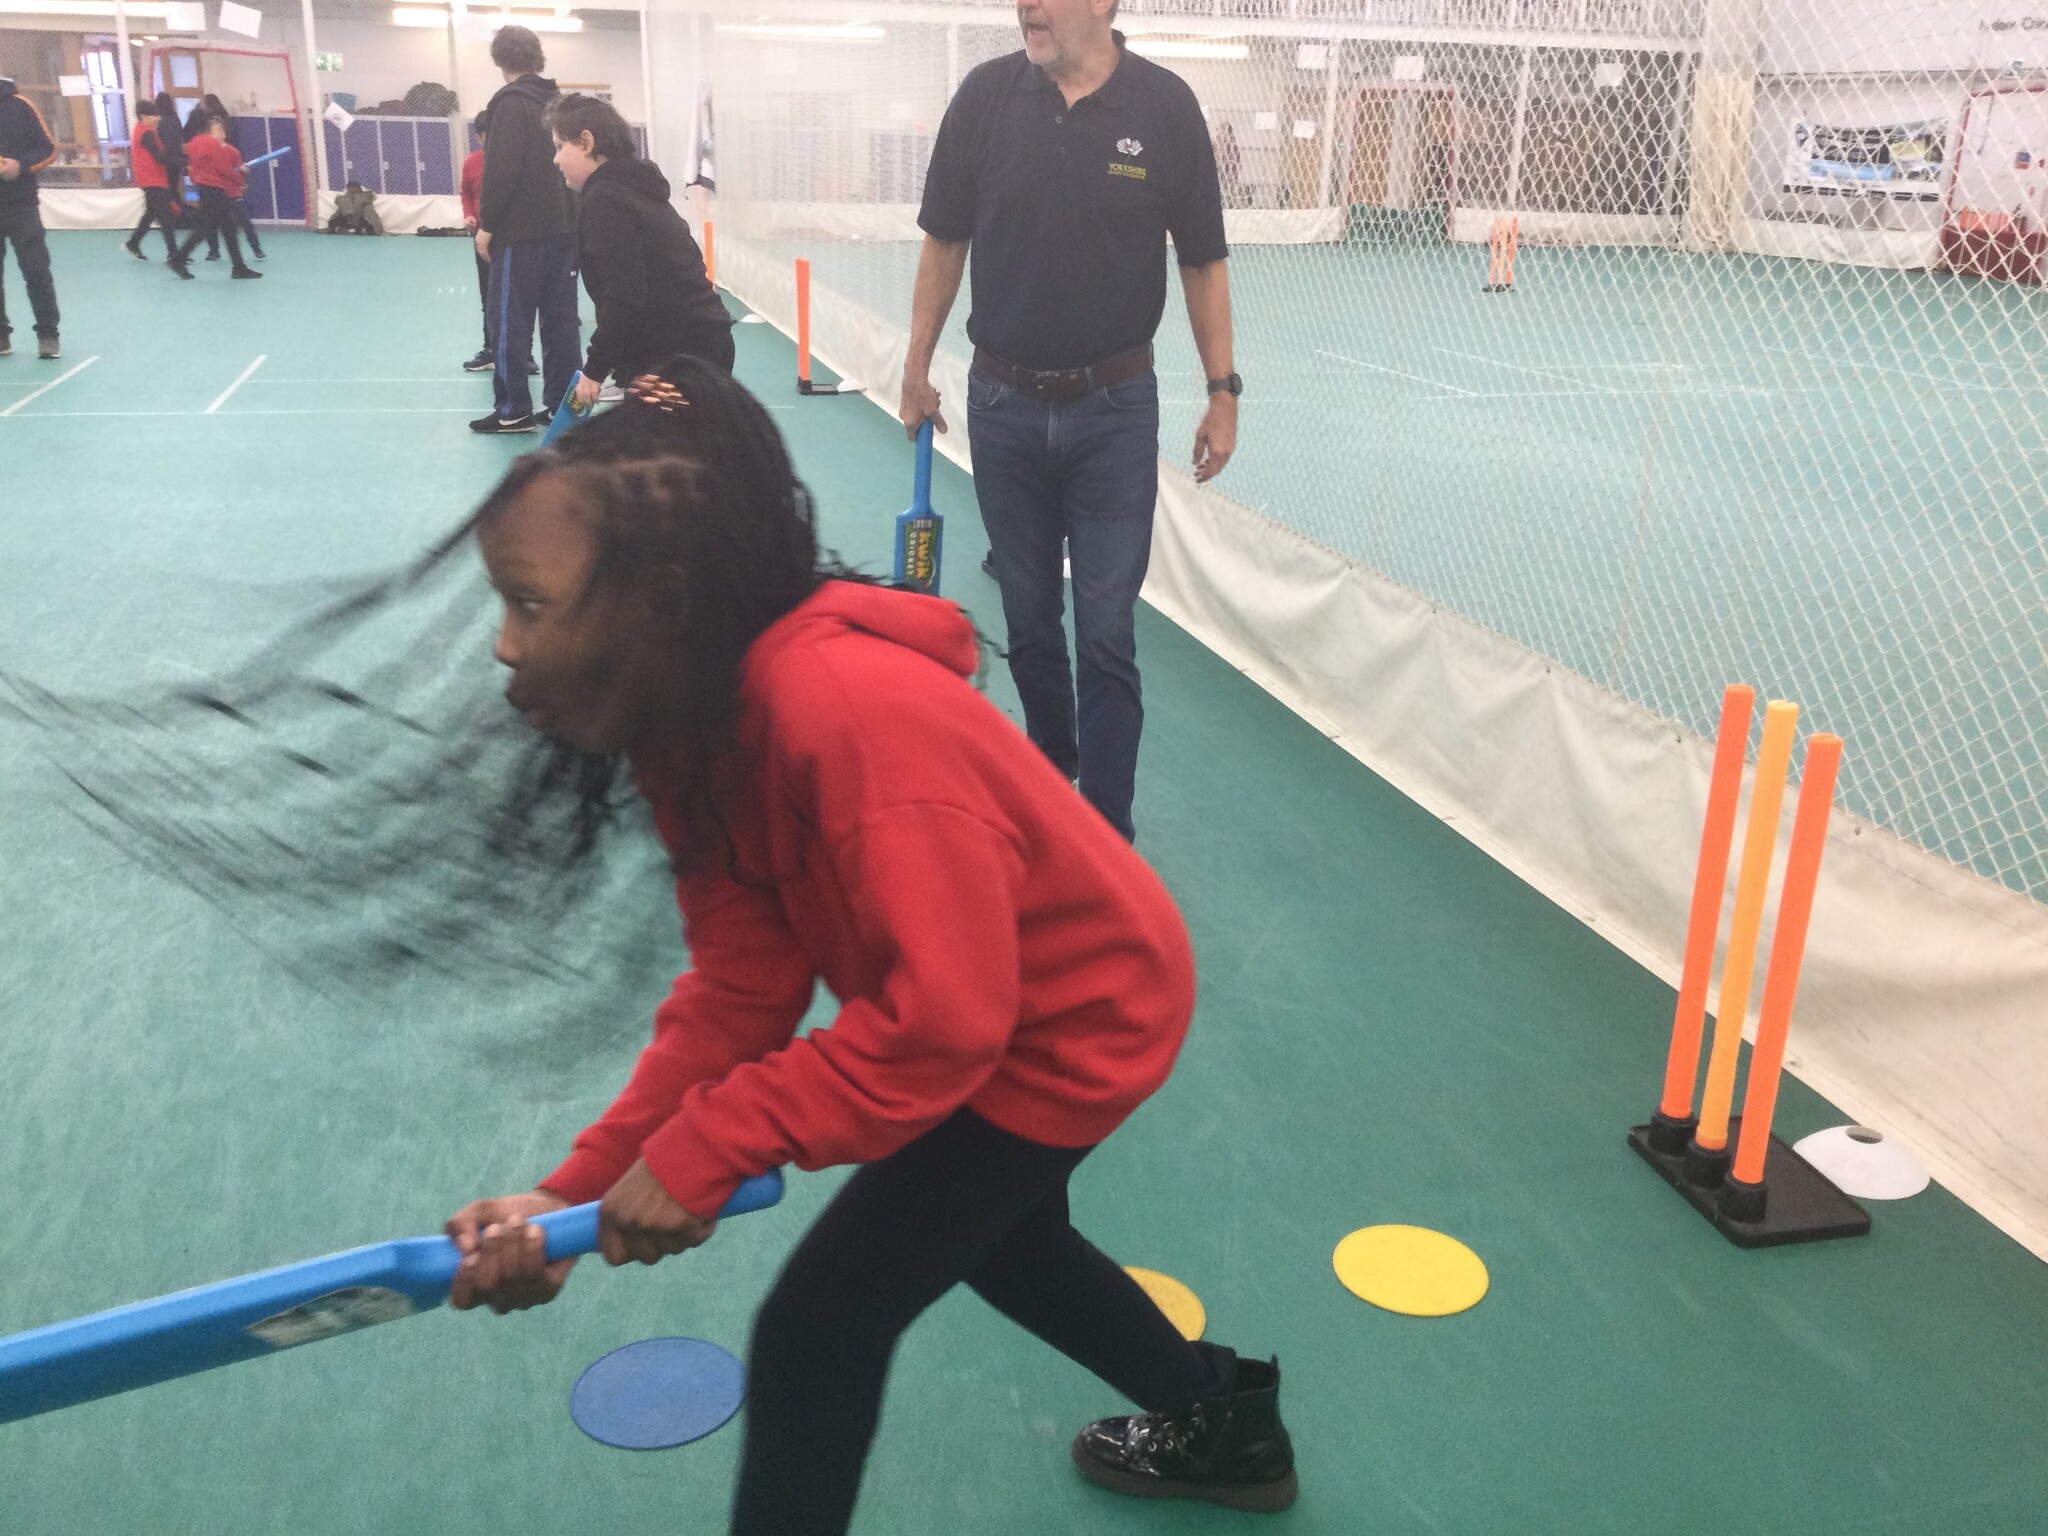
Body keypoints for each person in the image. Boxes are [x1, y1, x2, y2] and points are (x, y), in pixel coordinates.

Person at [442, 359, 1297, 1535]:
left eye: (528, 604)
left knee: (820, 1324)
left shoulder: (840, 714)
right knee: (1005, 1242)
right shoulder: (686, 723)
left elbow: (944, 1025)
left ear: (666, 599)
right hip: (980, 1005)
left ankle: (1218, 1419)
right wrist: (570, 1197)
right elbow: (743, 988)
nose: (502, 645)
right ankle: (1223, 1422)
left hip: (1074, 1017)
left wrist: (717, 1140)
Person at [899, 0, 1241, 844]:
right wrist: (915, 366)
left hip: (1115, 416)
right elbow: (944, 241)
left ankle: (1105, 839)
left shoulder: (1165, 109)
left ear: (1103, 4)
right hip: (1002, 409)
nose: (1027, 5)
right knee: (1029, 627)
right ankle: (1052, 791)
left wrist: (1223, 389)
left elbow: (1202, 258)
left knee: (1107, 634)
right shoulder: (984, 98)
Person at [546, 92, 732, 412]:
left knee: (660, 455)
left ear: (586, 142)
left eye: (560, 146)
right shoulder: (633, 188)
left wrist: (594, 370)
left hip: (677, 358)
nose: (556, 159)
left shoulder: (606, 200)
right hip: (697, 347)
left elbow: (626, 294)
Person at [472, 25, 580, 435]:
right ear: (539, 57)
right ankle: (563, 408)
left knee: (509, 322)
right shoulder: (560, 102)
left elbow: (501, 172)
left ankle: (513, 408)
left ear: (499, 60)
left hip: (520, 232)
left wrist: (488, 226)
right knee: (562, 322)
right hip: (565, 228)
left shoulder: (509, 105)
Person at [0, 74, 61, 360]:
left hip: (22, 205)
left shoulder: (20, 105)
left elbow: (49, 149)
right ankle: (1, 338)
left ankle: (48, 335)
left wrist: (20, 166)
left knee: (36, 271)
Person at [175, 116, 261, 279]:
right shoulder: (212, 144)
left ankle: (239, 267)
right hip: (214, 189)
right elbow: (224, 168)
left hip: (206, 189)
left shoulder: (194, 143)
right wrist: (240, 179)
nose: (222, 133)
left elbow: (194, 168)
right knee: (207, 228)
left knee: (227, 227)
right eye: (218, 129)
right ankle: (178, 259)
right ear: (208, 130)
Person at [123, 95, 185, 267]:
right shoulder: (145, 134)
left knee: (151, 213)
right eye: (154, 115)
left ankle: (133, 243)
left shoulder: (146, 131)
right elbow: (160, 158)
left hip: (153, 178)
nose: (158, 118)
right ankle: (174, 254)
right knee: (166, 216)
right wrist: (184, 161)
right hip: (151, 179)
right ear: (144, 116)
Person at [460, 109, 494, 372]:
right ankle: (491, 349)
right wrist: (470, 215)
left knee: (516, 299)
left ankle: (523, 354)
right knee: (489, 295)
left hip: (511, 239)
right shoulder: (471, 163)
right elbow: (466, 193)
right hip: (482, 240)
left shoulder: (512, 161)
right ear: (479, 137)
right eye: (486, 135)